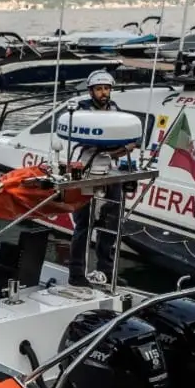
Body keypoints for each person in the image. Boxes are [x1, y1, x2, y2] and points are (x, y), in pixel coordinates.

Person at [67, 70, 124, 287]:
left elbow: (126, 142)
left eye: (106, 89)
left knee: (111, 224)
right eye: (99, 89)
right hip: (88, 172)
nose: (103, 93)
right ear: (91, 91)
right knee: (83, 224)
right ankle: (76, 273)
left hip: (111, 172)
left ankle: (106, 271)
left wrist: (120, 148)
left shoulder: (117, 111)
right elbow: (94, 143)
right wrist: (117, 147)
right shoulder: (82, 112)